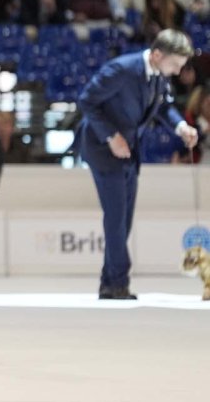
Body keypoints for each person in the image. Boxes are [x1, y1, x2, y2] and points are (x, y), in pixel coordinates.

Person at [76, 29, 198, 299]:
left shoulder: (158, 74)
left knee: (124, 218)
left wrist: (181, 126)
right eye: (175, 64)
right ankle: (118, 283)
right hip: (103, 148)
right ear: (157, 55)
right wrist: (111, 136)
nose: (178, 72)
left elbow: (163, 105)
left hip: (128, 150)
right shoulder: (121, 69)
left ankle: (110, 283)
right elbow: (87, 101)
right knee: (116, 217)